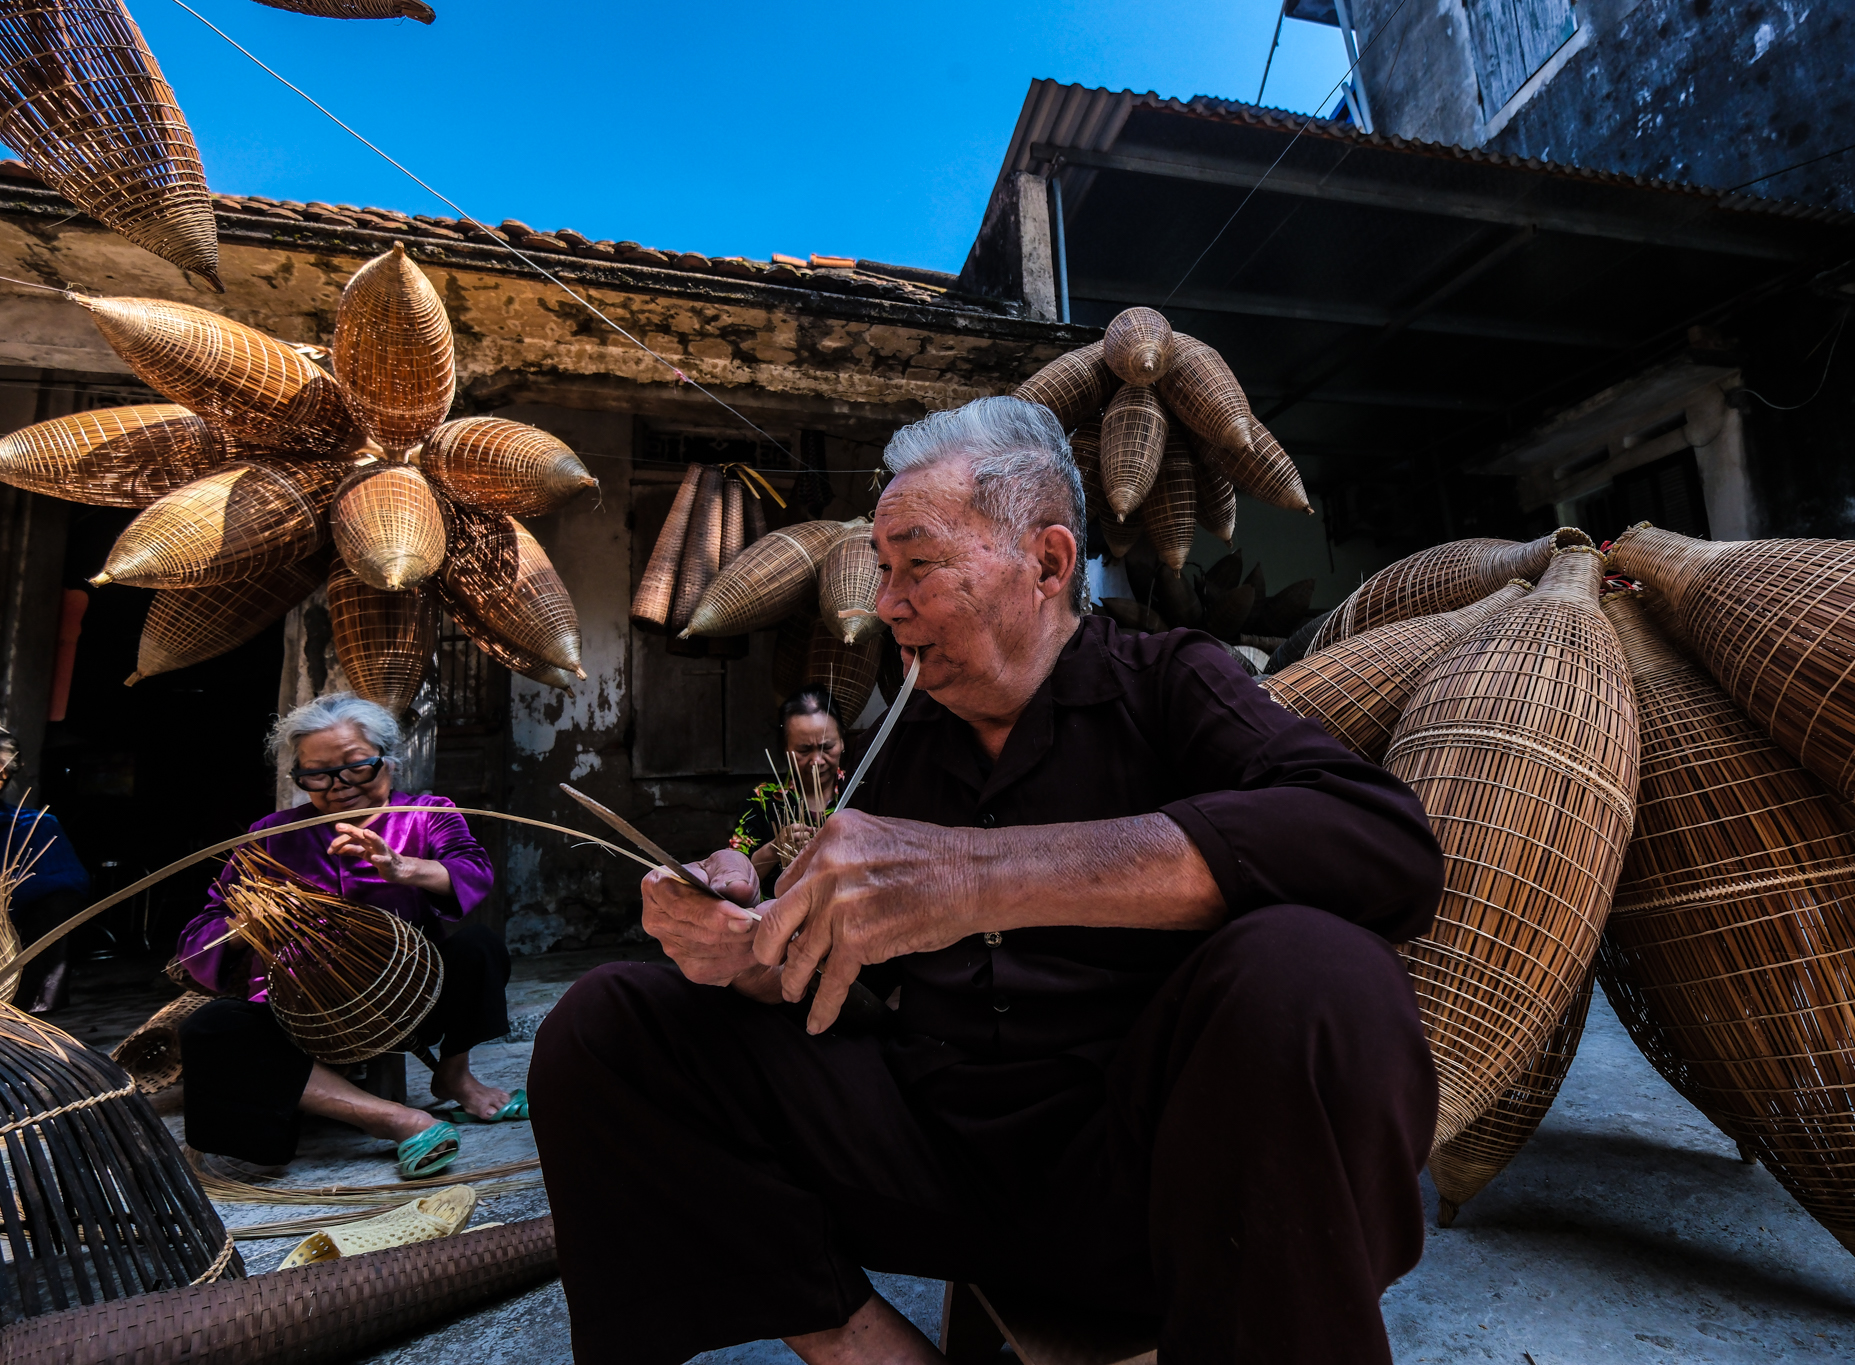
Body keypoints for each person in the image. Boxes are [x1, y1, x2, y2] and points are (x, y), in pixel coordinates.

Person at [531, 396, 1444, 1365]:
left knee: (1316, 973)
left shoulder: (1168, 685)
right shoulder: (901, 740)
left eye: (917, 566)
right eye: (882, 571)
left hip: (1155, 1178)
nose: (885, 605)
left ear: (1046, 564)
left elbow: (1381, 848)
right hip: (937, 1164)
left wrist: (981, 876)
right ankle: (869, 1352)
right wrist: (746, 939)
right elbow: (828, 983)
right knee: (607, 1031)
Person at [175, 694, 520, 1181]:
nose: (339, 787)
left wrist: (402, 868)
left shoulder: (426, 813)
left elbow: (470, 870)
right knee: (211, 1027)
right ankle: (395, 1119)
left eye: (358, 768)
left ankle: (455, 1075)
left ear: (389, 759)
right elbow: (197, 939)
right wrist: (247, 926)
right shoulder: (269, 837)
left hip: (409, 995)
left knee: (479, 947)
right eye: (317, 774)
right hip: (298, 1012)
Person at [0, 727, 90, 1014]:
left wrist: (11, 890)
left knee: (57, 904)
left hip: (10, 947)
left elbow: (69, 885)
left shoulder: (34, 826)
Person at [730, 687, 846, 880]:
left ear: (842, 740)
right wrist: (773, 849)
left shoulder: (862, 792)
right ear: (785, 748)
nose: (817, 760)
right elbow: (732, 878)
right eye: (804, 749)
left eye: (827, 747)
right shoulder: (763, 801)